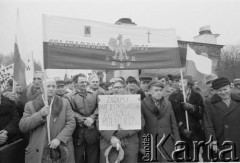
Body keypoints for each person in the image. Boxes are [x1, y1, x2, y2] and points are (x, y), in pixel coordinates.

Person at [19, 79, 76, 163]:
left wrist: (59, 139)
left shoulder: (65, 103)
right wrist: (40, 114)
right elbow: (23, 126)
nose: (51, 88)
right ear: (42, 89)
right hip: (39, 150)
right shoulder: (30, 105)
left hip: (60, 149)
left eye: (53, 86)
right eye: (48, 86)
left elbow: (71, 123)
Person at [98, 80, 144, 163]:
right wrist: (111, 136)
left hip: (129, 142)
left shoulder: (133, 101)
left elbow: (141, 122)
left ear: (124, 88)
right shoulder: (106, 101)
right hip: (109, 141)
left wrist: (125, 132)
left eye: (119, 87)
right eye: (114, 87)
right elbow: (99, 121)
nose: (116, 89)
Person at [141, 80, 180, 162]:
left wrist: (177, 141)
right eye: (156, 90)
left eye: (160, 90)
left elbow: (174, 125)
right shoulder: (143, 104)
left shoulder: (168, 104)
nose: (159, 93)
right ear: (150, 92)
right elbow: (141, 128)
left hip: (167, 141)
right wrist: (142, 145)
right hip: (151, 142)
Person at [168, 77, 205, 161]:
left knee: (193, 157)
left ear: (189, 85)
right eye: (179, 82)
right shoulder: (173, 96)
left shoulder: (197, 96)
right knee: (181, 157)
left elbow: (201, 113)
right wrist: (182, 128)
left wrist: (192, 107)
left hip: (195, 132)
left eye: (183, 82)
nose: (180, 84)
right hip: (180, 132)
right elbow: (172, 116)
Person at [204, 77, 240, 161]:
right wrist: (212, 141)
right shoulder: (209, 103)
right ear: (215, 91)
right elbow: (208, 124)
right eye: (219, 90)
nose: (223, 92)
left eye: (225, 89)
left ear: (230, 87)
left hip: (237, 138)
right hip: (221, 139)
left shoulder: (238, 100)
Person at [68, 73, 99, 163]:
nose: (84, 84)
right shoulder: (69, 96)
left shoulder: (94, 94)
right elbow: (70, 111)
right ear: (75, 83)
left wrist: (92, 118)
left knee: (93, 158)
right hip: (78, 133)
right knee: (77, 158)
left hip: (92, 131)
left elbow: (99, 107)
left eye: (85, 82)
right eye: (81, 82)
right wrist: (84, 120)